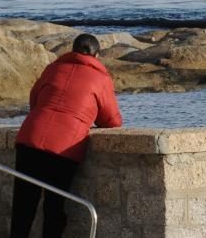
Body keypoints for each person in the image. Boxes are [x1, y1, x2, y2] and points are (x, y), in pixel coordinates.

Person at [10, 34, 122, 238]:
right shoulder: (101, 78)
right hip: (64, 147)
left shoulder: (53, 68)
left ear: (72, 49)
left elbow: (35, 99)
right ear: (96, 55)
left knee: (23, 206)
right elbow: (112, 120)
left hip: (30, 138)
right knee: (54, 207)